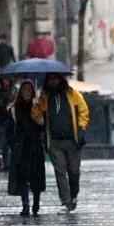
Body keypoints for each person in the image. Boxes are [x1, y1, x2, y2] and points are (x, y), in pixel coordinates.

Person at [32, 73, 89, 213]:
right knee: (60, 172)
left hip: (72, 140)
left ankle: (74, 194)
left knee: (74, 171)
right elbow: (36, 113)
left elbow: (83, 110)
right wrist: (38, 113)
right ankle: (65, 202)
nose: (52, 82)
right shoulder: (45, 97)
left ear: (60, 79)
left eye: (55, 78)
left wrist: (81, 128)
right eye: (50, 79)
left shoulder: (72, 94)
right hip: (55, 141)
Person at [8, 81, 46, 216]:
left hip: (35, 146)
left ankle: (36, 202)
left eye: (29, 90)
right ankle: (25, 204)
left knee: (36, 176)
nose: (27, 92)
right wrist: (13, 144)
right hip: (21, 147)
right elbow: (10, 129)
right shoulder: (14, 108)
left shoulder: (37, 107)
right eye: (24, 90)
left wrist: (39, 116)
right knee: (22, 176)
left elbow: (42, 127)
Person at [0, 77, 17, 171]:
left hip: (13, 119)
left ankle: (14, 162)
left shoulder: (14, 90)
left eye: (7, 79)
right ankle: (6, 164)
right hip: (4, 118)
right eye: (4, 80)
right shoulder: (0, 92)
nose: (5, 82)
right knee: (4, 142)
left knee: (13, 142)